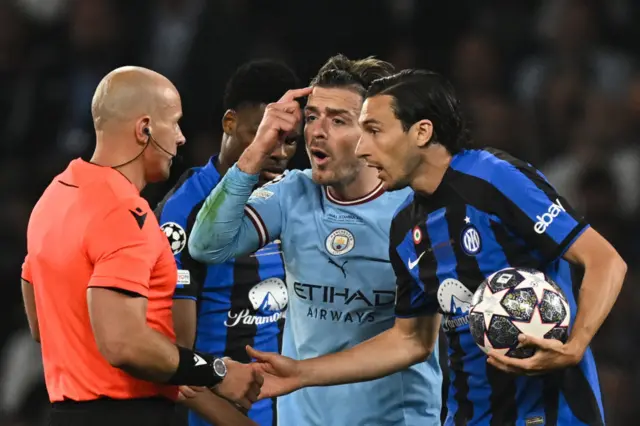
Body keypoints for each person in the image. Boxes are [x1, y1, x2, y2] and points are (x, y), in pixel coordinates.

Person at [243, 69, 627, 425]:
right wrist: (302, 373)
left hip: (551, 411)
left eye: (374, 131)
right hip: (470, 415)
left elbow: (604, 260)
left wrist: (576, 344)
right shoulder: (406, 227)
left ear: (422, 132)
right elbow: (410, 340)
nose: (361, 149)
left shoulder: (495, 179)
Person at [188, 55, 443, 426]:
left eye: (338, 121)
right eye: (311, 117)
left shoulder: (413, 209)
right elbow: (206, 245)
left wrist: (303, 372)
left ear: (373, 131)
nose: (316, 132)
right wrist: (257, 148)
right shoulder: (292, 193)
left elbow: (416, 343)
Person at [20, 66, 262, 426]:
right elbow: (125, 344)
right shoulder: (123, 212)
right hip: (128, 414)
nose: (180, 138)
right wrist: (219, 372)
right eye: (175, 123)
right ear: (144, 129)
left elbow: (42, 325)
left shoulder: (54, 196)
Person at [154, 59, 300, 426]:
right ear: (229, 123)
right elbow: (177, 359)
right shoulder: (184, 212)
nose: (279, 152)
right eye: (262, 133)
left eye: (289, 140)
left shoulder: (297, 199)